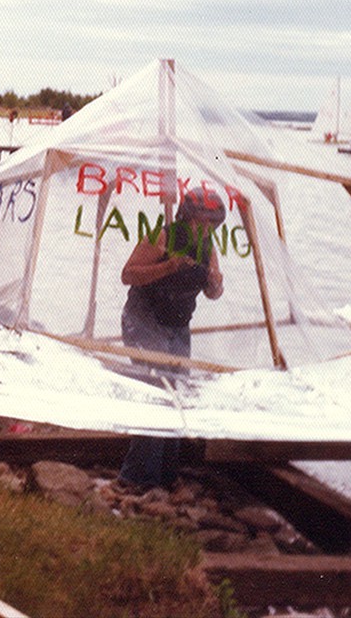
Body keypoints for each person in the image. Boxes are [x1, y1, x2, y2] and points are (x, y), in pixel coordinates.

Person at [117, 188, 226, 489]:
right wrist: (168, 266)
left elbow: (213, 292)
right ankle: (136, 477)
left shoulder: (208, 247)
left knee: (176, 394)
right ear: (186, 217)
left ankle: (166, 474)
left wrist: (216, 284)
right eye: (200, 222)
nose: (205, 229)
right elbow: (128, 274)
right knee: (157, 390)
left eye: (211, 224)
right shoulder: (162, 237)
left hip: (178, 325)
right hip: (143, 319)